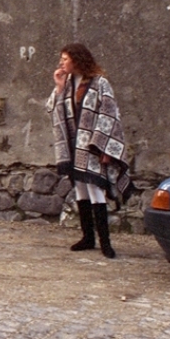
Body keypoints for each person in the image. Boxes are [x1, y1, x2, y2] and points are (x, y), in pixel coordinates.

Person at [48, 43, 134, 259]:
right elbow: (52, 109)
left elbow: (109, 114)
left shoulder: (99, 83)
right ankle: (88, 237)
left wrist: (104, 147)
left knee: (96, 189)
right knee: (81, 190)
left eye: (65, 59)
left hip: (93, 146)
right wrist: (58, 87)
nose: (61, 63)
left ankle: (106, 242)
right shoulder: (66, 83)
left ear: (77, 59)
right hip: (74, 147)